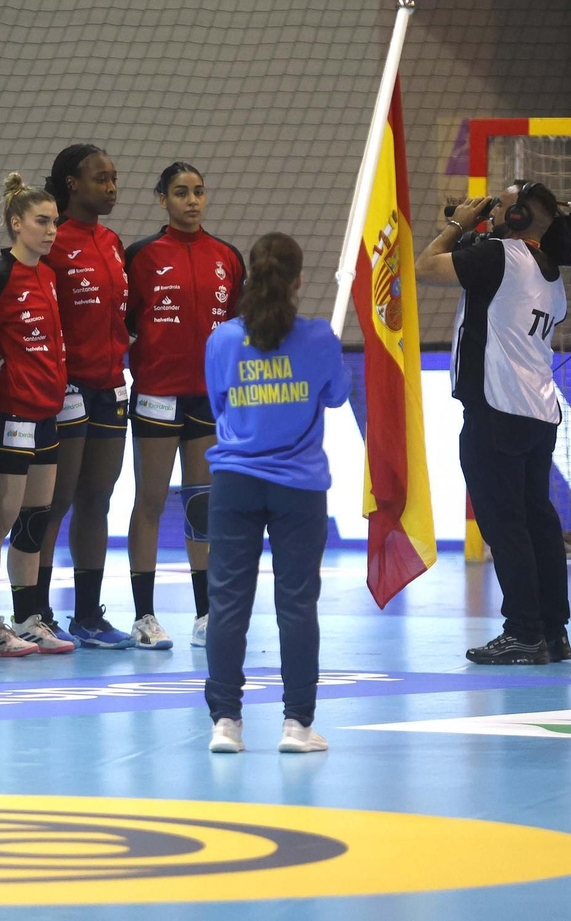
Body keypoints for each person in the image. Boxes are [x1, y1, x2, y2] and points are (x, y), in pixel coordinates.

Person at [202, 232, 348, 755]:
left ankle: (225, 724)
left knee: (227, 603)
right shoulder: (320, 337)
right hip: (298, 487)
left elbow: (219, 403)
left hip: (234, 482)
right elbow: (337, 395)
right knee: (297, 605)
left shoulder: (222, 340)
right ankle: (297, 726)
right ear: (299, 280)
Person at [415, 182, 571, 666]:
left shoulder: (501, 255)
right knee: (537, 521)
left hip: (496, 409)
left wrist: (458, 223)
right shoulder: (552, 276)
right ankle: (553, 632)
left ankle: (522, 632)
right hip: (539, 413)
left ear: (518, 216)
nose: (491, 209)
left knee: (506, 528)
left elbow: (424, 267)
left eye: (499, 205)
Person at [122, 162, 246, 650]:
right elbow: (125, 322)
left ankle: (206, 613)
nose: (192, 201)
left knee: (202, 504)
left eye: (198, 191)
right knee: (150, 501)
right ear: (162, 199)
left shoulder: (227, 257)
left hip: (208, 399)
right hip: (156, 394)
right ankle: (144, 617)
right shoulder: (141, 256)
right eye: (180, 192)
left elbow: (236, 327)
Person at [0, 175, 75, 657]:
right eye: (41, 221)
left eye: (54, 222)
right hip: (12, 415)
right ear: (16, 224)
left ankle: (29, 618)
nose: (51, 230)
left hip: (46, 413)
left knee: (35, 520)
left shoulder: (48, 276)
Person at [40, 144, 133, 648]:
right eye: (101, 179)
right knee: (55, 501)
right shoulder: (51, 241)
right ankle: (35, 612)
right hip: (67, 388)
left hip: (111, 386)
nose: (111, 187)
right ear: (72, 184)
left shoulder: (112, 241)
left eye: (114, 178)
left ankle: (88, 616)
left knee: (97, 500)